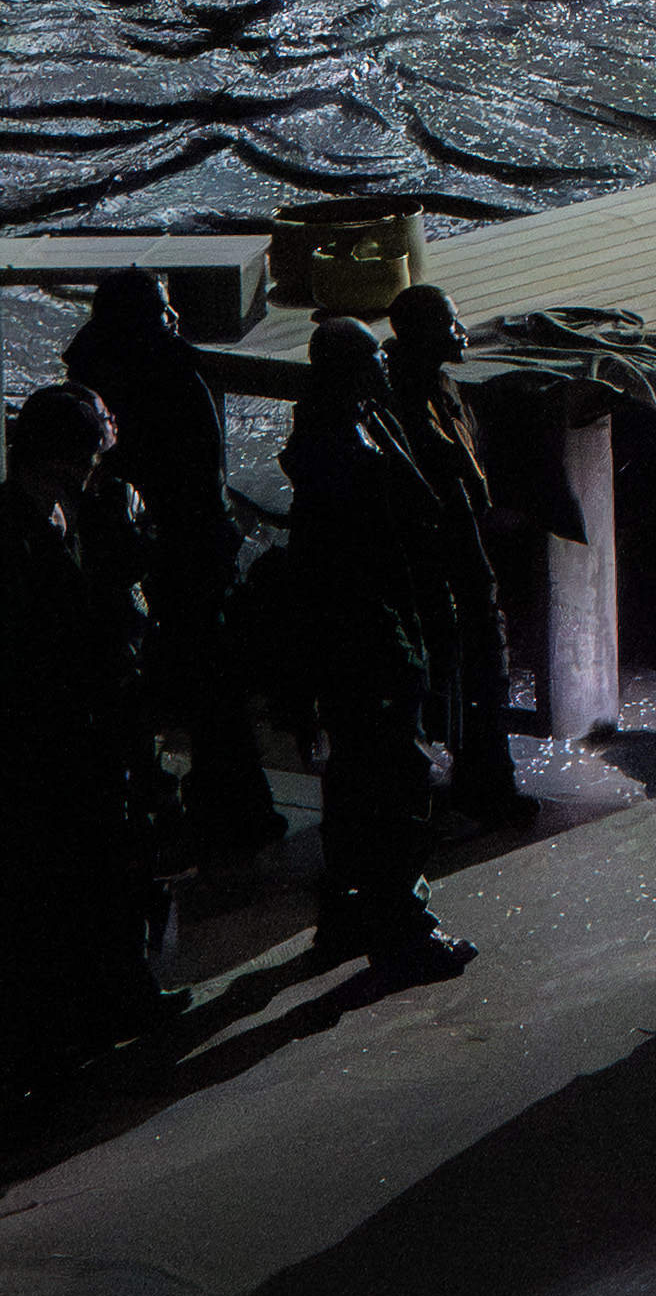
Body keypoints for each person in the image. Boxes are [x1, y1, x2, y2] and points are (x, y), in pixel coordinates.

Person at [0, 378, 168, 1101]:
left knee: (86, 869)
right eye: (84, 462)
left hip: (76, 729)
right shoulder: (6, 533)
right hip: (37, 738)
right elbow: (13, 648)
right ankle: (29, 1035)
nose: (91, 476)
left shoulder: (62, 514)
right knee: (29, 885)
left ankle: (93, 1002)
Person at [278, 316, 466, 988]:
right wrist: (405, 654)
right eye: (374, 361)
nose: (386, 366)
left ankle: (347, 915)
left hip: (351, 644)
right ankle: (403, 929)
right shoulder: (349, 453)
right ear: (356, 373)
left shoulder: (338, 432)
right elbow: (370, 566)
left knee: (353, 787)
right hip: (371, 646)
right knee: (395, 788)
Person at [67, 263, 277, 866]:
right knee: (213, 686)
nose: (175, 316)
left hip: (132, 547)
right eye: (163, 307)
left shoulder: (90, 370)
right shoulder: (173, 369)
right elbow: (199, 474)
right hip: (183, 549)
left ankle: (163, 799)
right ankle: (230, 809)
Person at [378, 283, 537, 837]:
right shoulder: (404, 405)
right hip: (443, 561)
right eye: (451, 325)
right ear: (422, 335)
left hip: (464, 549)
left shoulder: (438, 386)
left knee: (481, 667)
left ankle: (482, 778)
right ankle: (484, 785)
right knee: (477, 667)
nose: (462, 333)